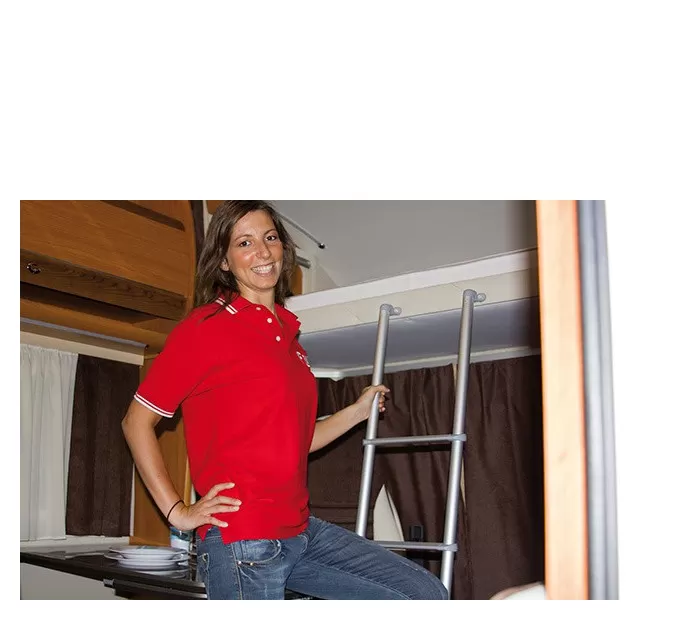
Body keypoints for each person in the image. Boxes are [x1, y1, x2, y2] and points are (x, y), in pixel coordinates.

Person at [121, 200, 447, 600]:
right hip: (243, 540)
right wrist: (178, 512)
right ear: (223, 261)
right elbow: (136, 422)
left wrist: (356, 412)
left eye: (270, 237)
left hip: (300, 529)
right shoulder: (205, 328)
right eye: (244, 243)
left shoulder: (290, 337)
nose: (262, 251)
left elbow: (297, 441)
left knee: (423, 592)